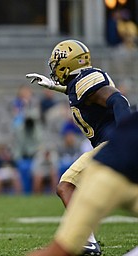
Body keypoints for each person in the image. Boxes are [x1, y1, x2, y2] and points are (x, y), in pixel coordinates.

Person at [26, 39, 131, 256]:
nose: (55, 70)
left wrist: (126, 137)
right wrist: (53, 86)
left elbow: (119, 101)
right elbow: (80, 93)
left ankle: (86, 242)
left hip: (112, 144)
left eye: (57, 66)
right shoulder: (83, 80)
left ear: (67, 64)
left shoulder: (87, 83)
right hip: (111, 144)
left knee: (66, 185)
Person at [26, 112, 138, 256]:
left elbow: (116, 101)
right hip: (110, 171)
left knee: (58, 251)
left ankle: (88, 242)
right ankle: (89, 241)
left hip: (107, 168)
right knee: (59, 250)